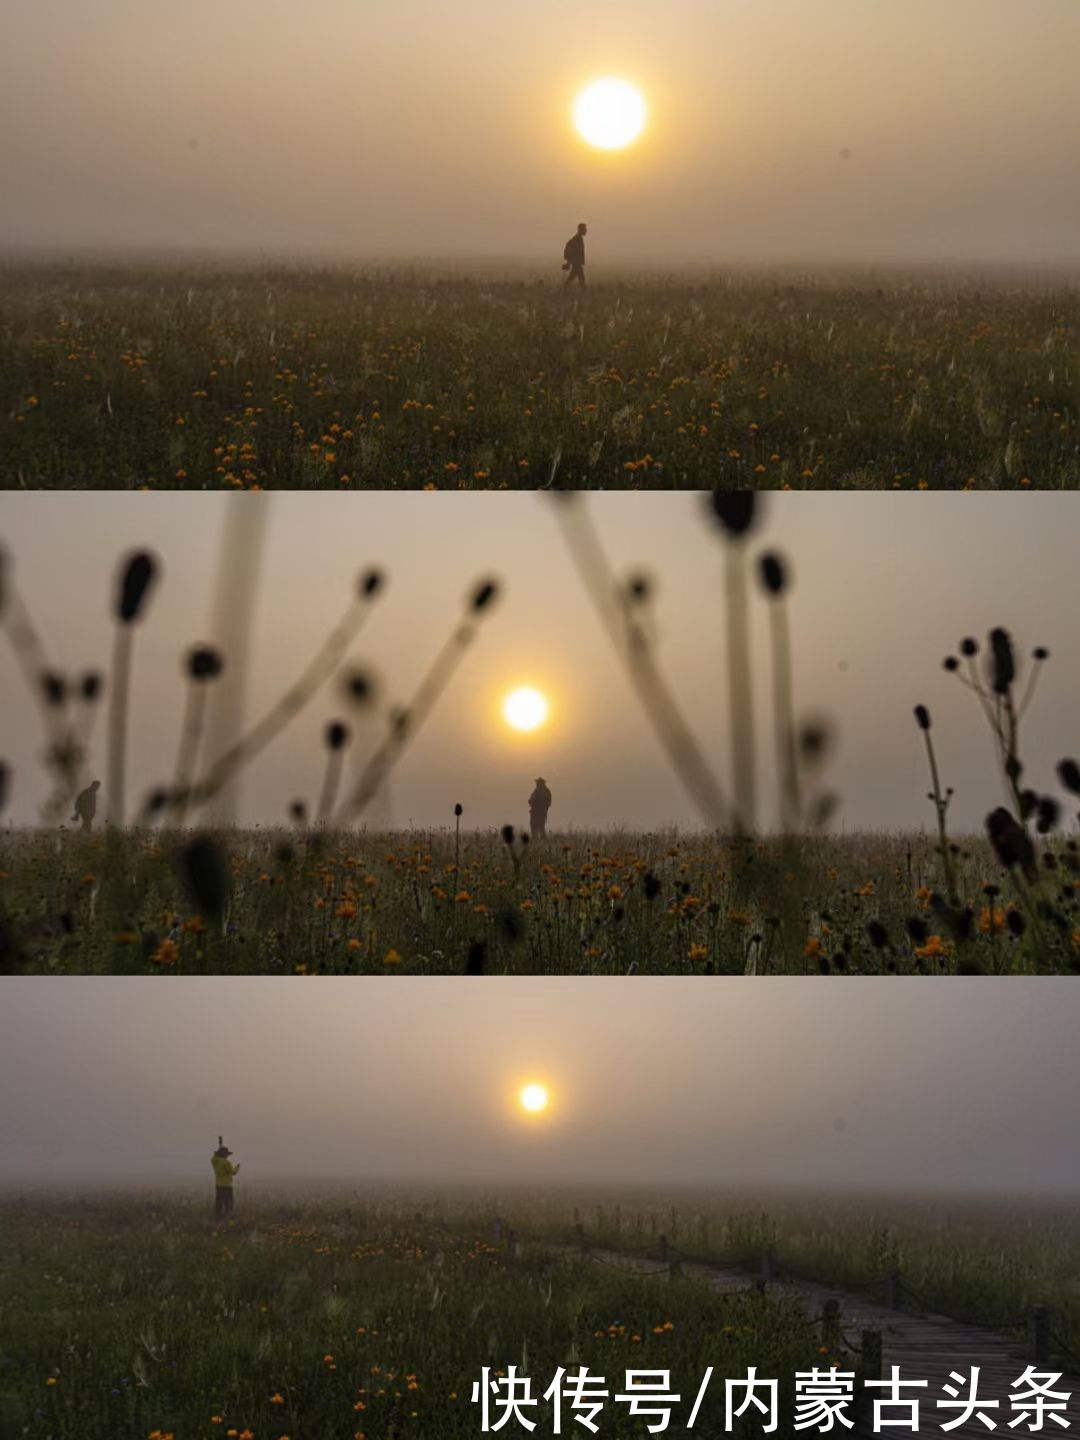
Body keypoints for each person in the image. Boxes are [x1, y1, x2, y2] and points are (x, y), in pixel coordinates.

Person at [211, 1137, 239, 1217]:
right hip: (227, 1185)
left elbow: (214, 1157)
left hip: (218, 1185)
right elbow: (233, 1172)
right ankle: (228, 1215)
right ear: (225, 1155)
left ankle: (218, 1216)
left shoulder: (214, 1162)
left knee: (219, 1202)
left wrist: (218, 1152)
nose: (227, 1156)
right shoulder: (226, 1162)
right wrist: (237, 1167)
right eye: (226, 1154)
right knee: (228, 1202)